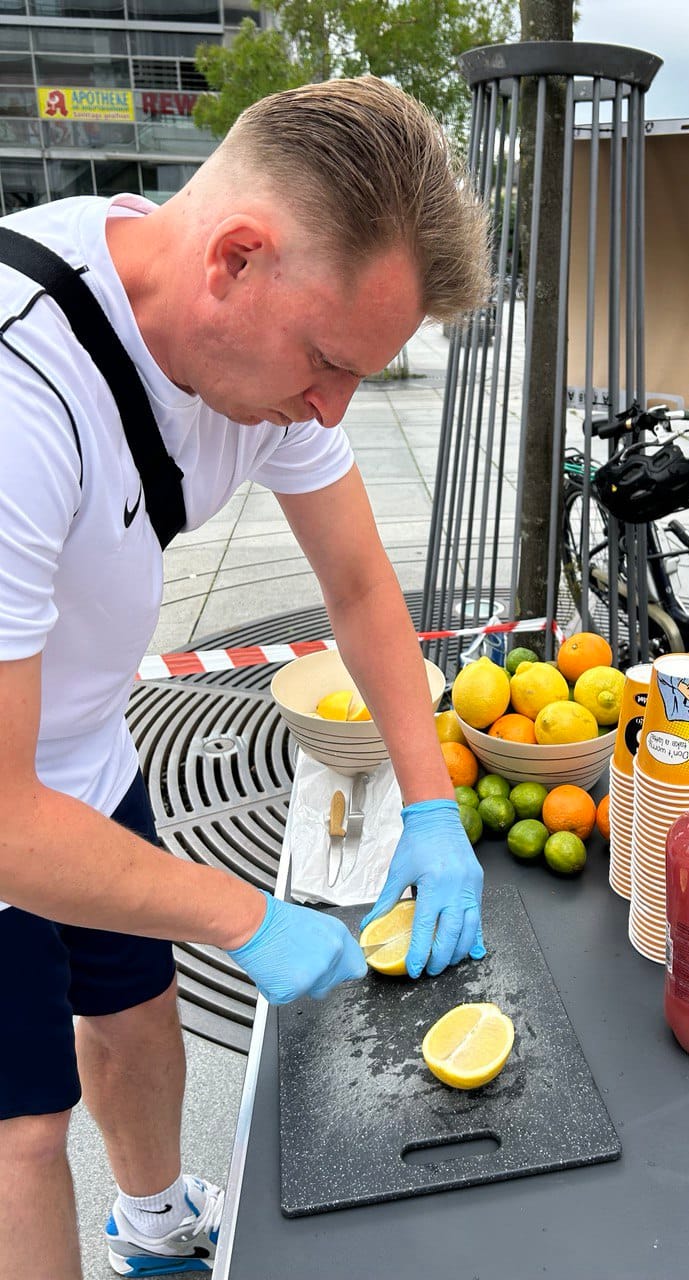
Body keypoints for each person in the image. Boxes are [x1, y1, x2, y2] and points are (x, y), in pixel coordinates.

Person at [0, 76, 491, 1279]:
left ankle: (157, 1223)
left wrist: (432, 808)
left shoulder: (261, 341)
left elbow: (366, 589)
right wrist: (251, 914)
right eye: (327, 361)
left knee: (136, 1010)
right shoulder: (21, 390)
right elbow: (5, 820)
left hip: (86, 756)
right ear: (234, 259)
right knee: (22, 1131)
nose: (331, 406)